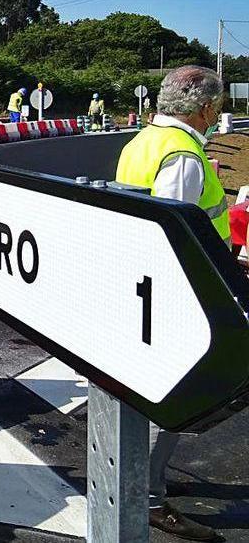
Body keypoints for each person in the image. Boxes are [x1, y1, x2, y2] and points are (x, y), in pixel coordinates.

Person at [115, 65, 227, 542]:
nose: (219, 114)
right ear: (203, 108)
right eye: (218, 107)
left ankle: (148, 476)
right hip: (175, 292)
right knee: (181, 391)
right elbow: (172, 235)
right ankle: (148, 495)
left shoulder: (143, 141)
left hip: (142, 285)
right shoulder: (182, 155)